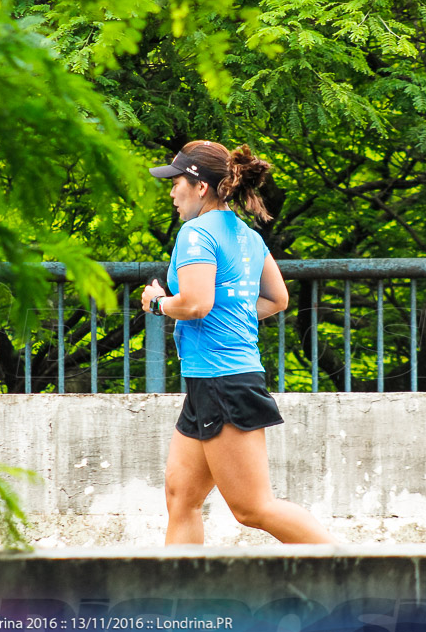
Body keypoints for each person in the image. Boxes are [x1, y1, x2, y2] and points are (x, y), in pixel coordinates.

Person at [141, 140, 335, 545]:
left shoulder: (196, 234)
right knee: (182, 498)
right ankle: (178, 603)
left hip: (222, 382)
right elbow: (276, 299)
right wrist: (233, 316)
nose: (172, 192)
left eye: (176, 182)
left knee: (253, 508)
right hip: (208, 381)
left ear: (200, 187)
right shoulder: (245, 234)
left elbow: (195, 303)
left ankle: (357, 572)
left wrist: (157, 303)